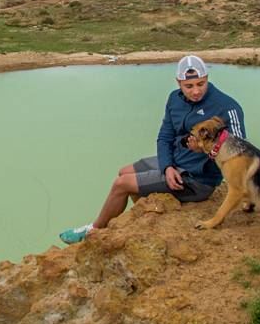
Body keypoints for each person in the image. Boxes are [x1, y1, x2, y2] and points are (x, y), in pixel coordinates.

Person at [59, 54, 246, 244]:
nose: (196, 91)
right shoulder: (174, 99)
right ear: (178, 83)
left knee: (120, 185)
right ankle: (144, 215)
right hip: (175, 162)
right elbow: (165, 136)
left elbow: (239, 151)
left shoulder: (227, 106)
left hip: (197, 179)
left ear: (207, 79)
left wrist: (204, 150)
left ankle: (94, 230)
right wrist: (167, 167)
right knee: (123, 172)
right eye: (189, 86)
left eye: (201, 84)